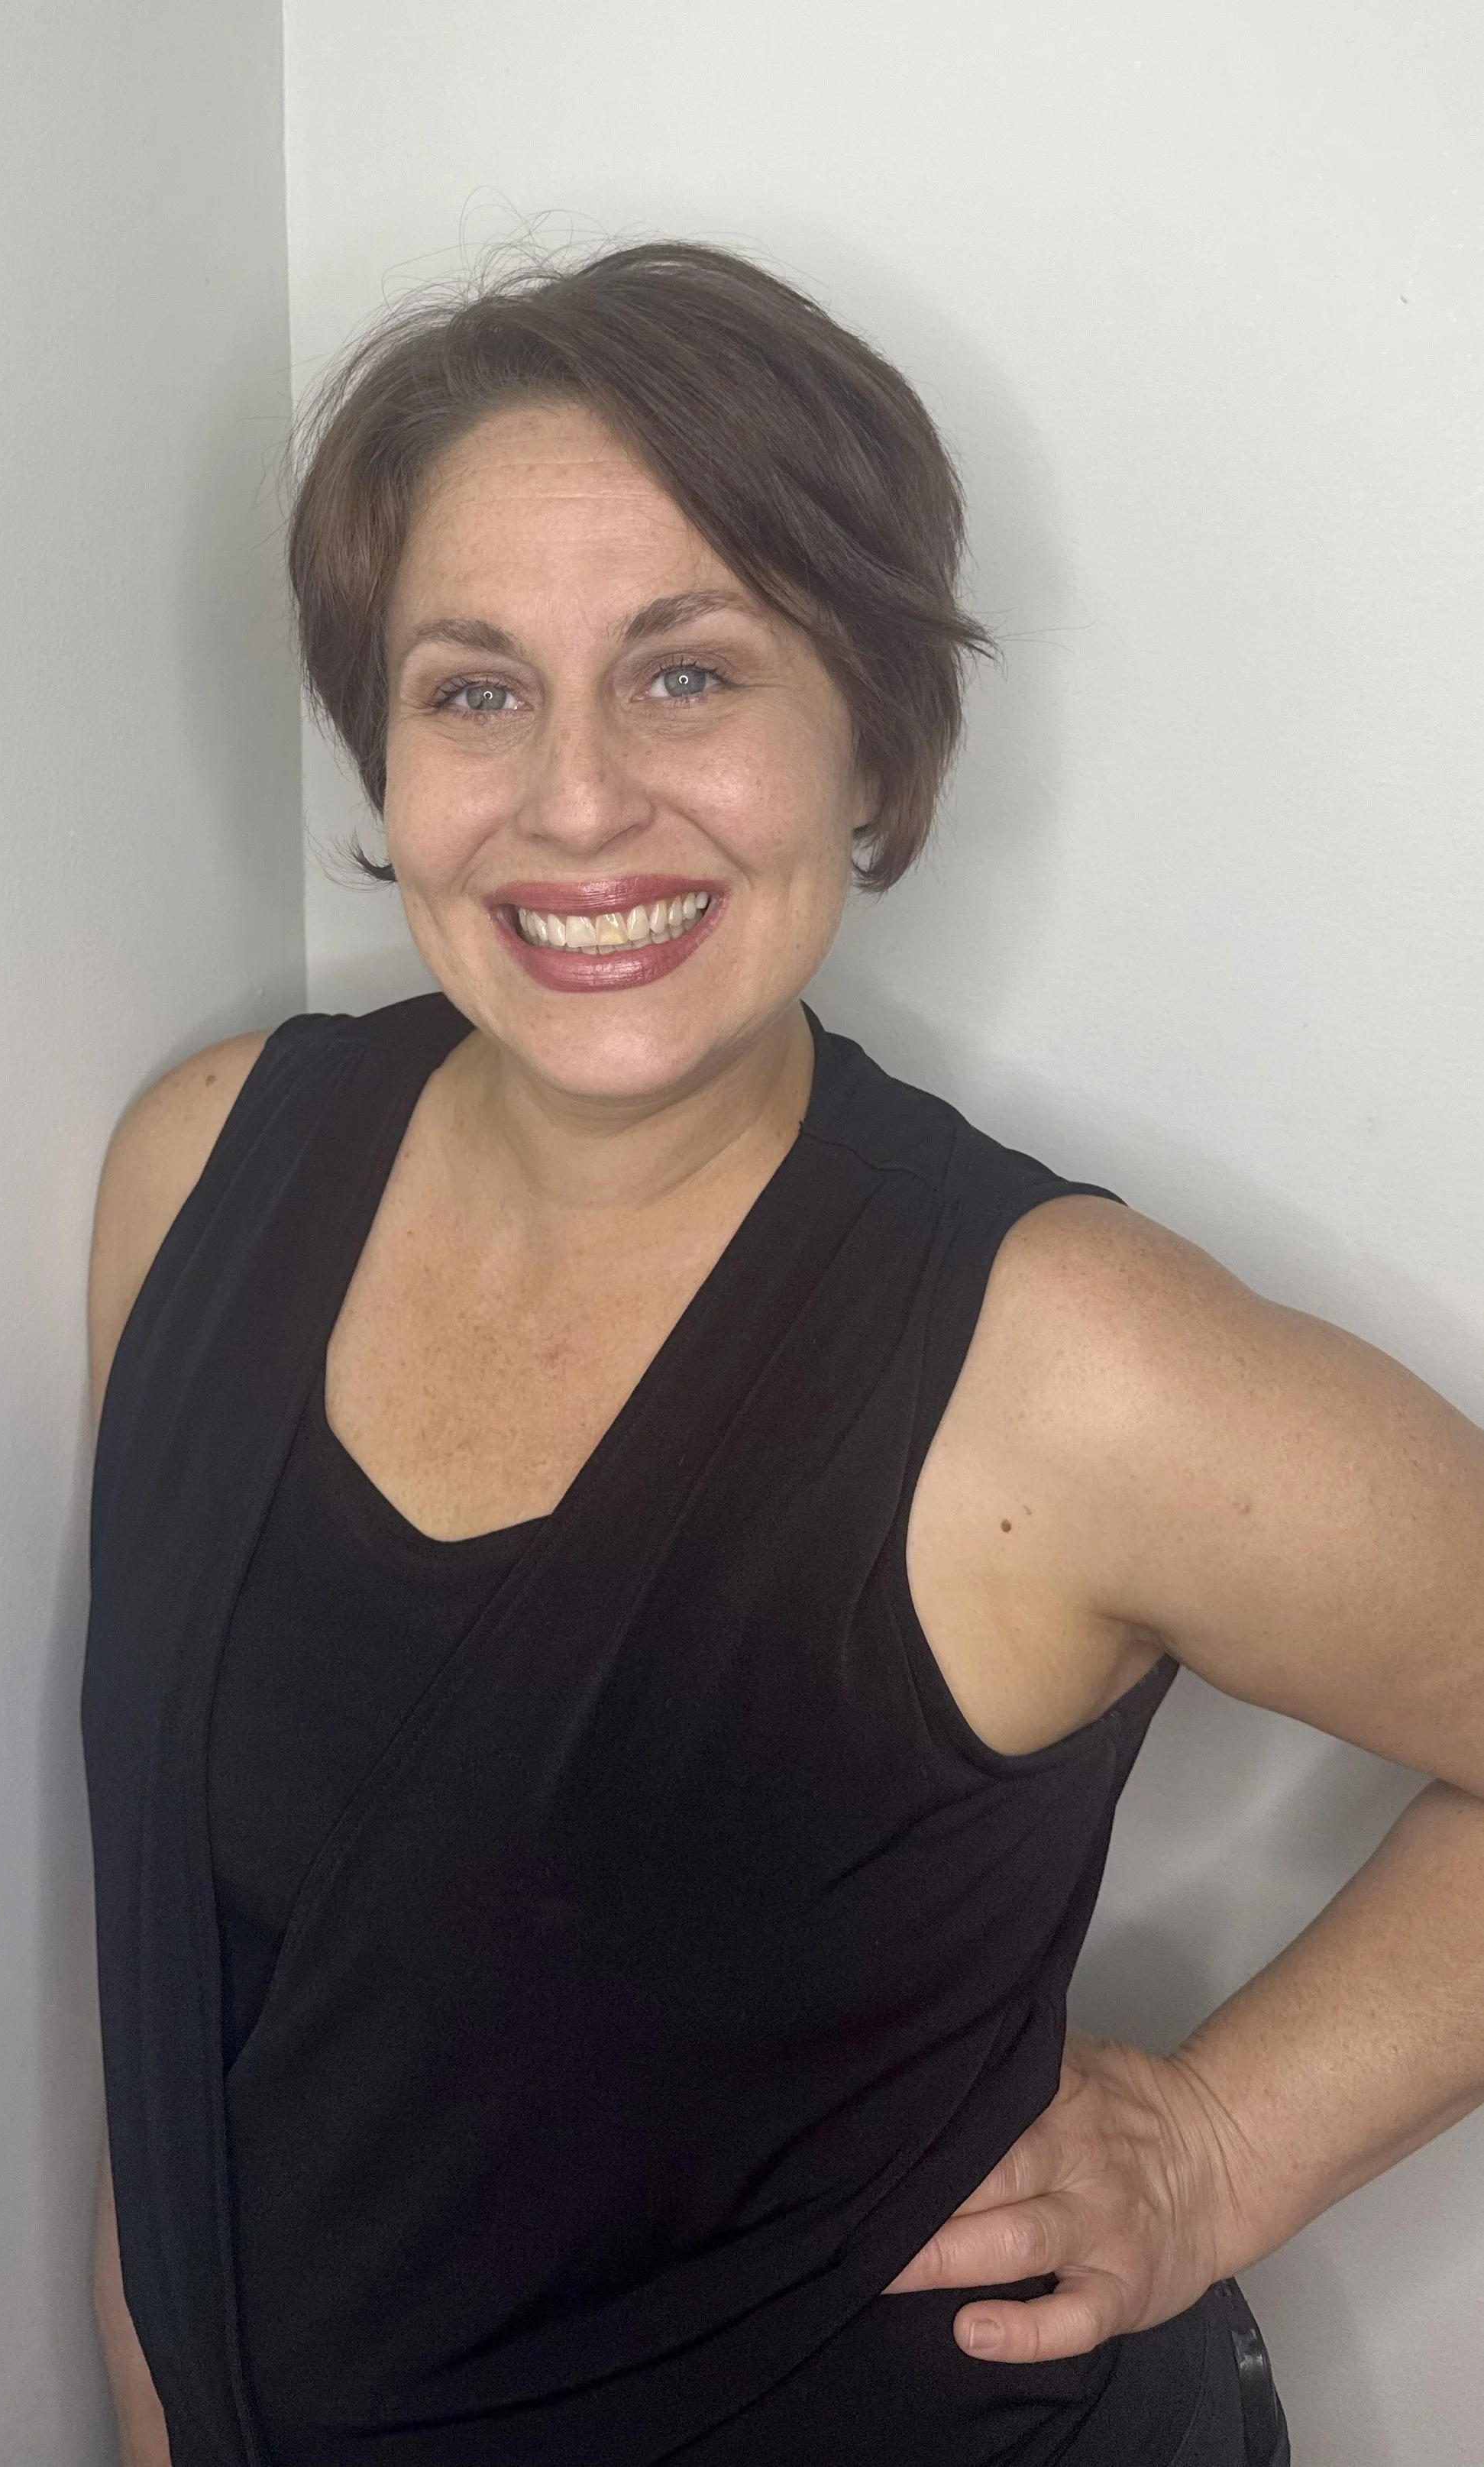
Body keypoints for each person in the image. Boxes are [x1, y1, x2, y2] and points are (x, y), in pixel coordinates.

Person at [81, 242, 1484, 2467]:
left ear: (874, 734)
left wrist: (1222, 2140)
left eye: (688, 675)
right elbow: (185, 1991)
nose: (572, 801)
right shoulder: (200, 1172)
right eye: (474, 689)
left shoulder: (1062, 1362)